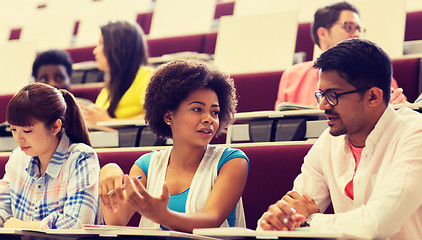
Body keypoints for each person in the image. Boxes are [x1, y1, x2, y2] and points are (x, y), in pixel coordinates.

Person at [258, 39, 422, 239]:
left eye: (334, 95)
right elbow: (292, 208)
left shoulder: (415, 134)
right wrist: (275, 220)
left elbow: (377, 224)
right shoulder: (328, 142)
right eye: (321, 94)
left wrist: (308, 220)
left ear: (373, 97)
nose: (323, 105)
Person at [98, 59, 249, 233]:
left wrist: (162, 215)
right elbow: (116, 220)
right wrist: (109, 171)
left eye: (214, 112)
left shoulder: (233, 161)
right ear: (169, 116)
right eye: (197, 109)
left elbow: (211, 220)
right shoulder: (146, 165)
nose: (209, 119)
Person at [0, 83, 100, 229]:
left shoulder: (81, 158)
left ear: (55, 127)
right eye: (13, 129)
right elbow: (2, 208)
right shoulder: (18, 157)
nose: (18, 139)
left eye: (27, 131)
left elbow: (76, 225)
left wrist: (22, 225)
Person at [274, 1, 406, 109]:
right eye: (349, 27)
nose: (356, 35)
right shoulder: (292, 76)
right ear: (323, 34)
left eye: (359, 29)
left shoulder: (376, 71)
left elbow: (400, 113)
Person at [82, 20, 153, 126]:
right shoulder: (109, 86)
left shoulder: (146, 77)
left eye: (101, 43)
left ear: (118, 47)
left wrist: (108, 122)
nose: (95, 51)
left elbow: (157, 117)